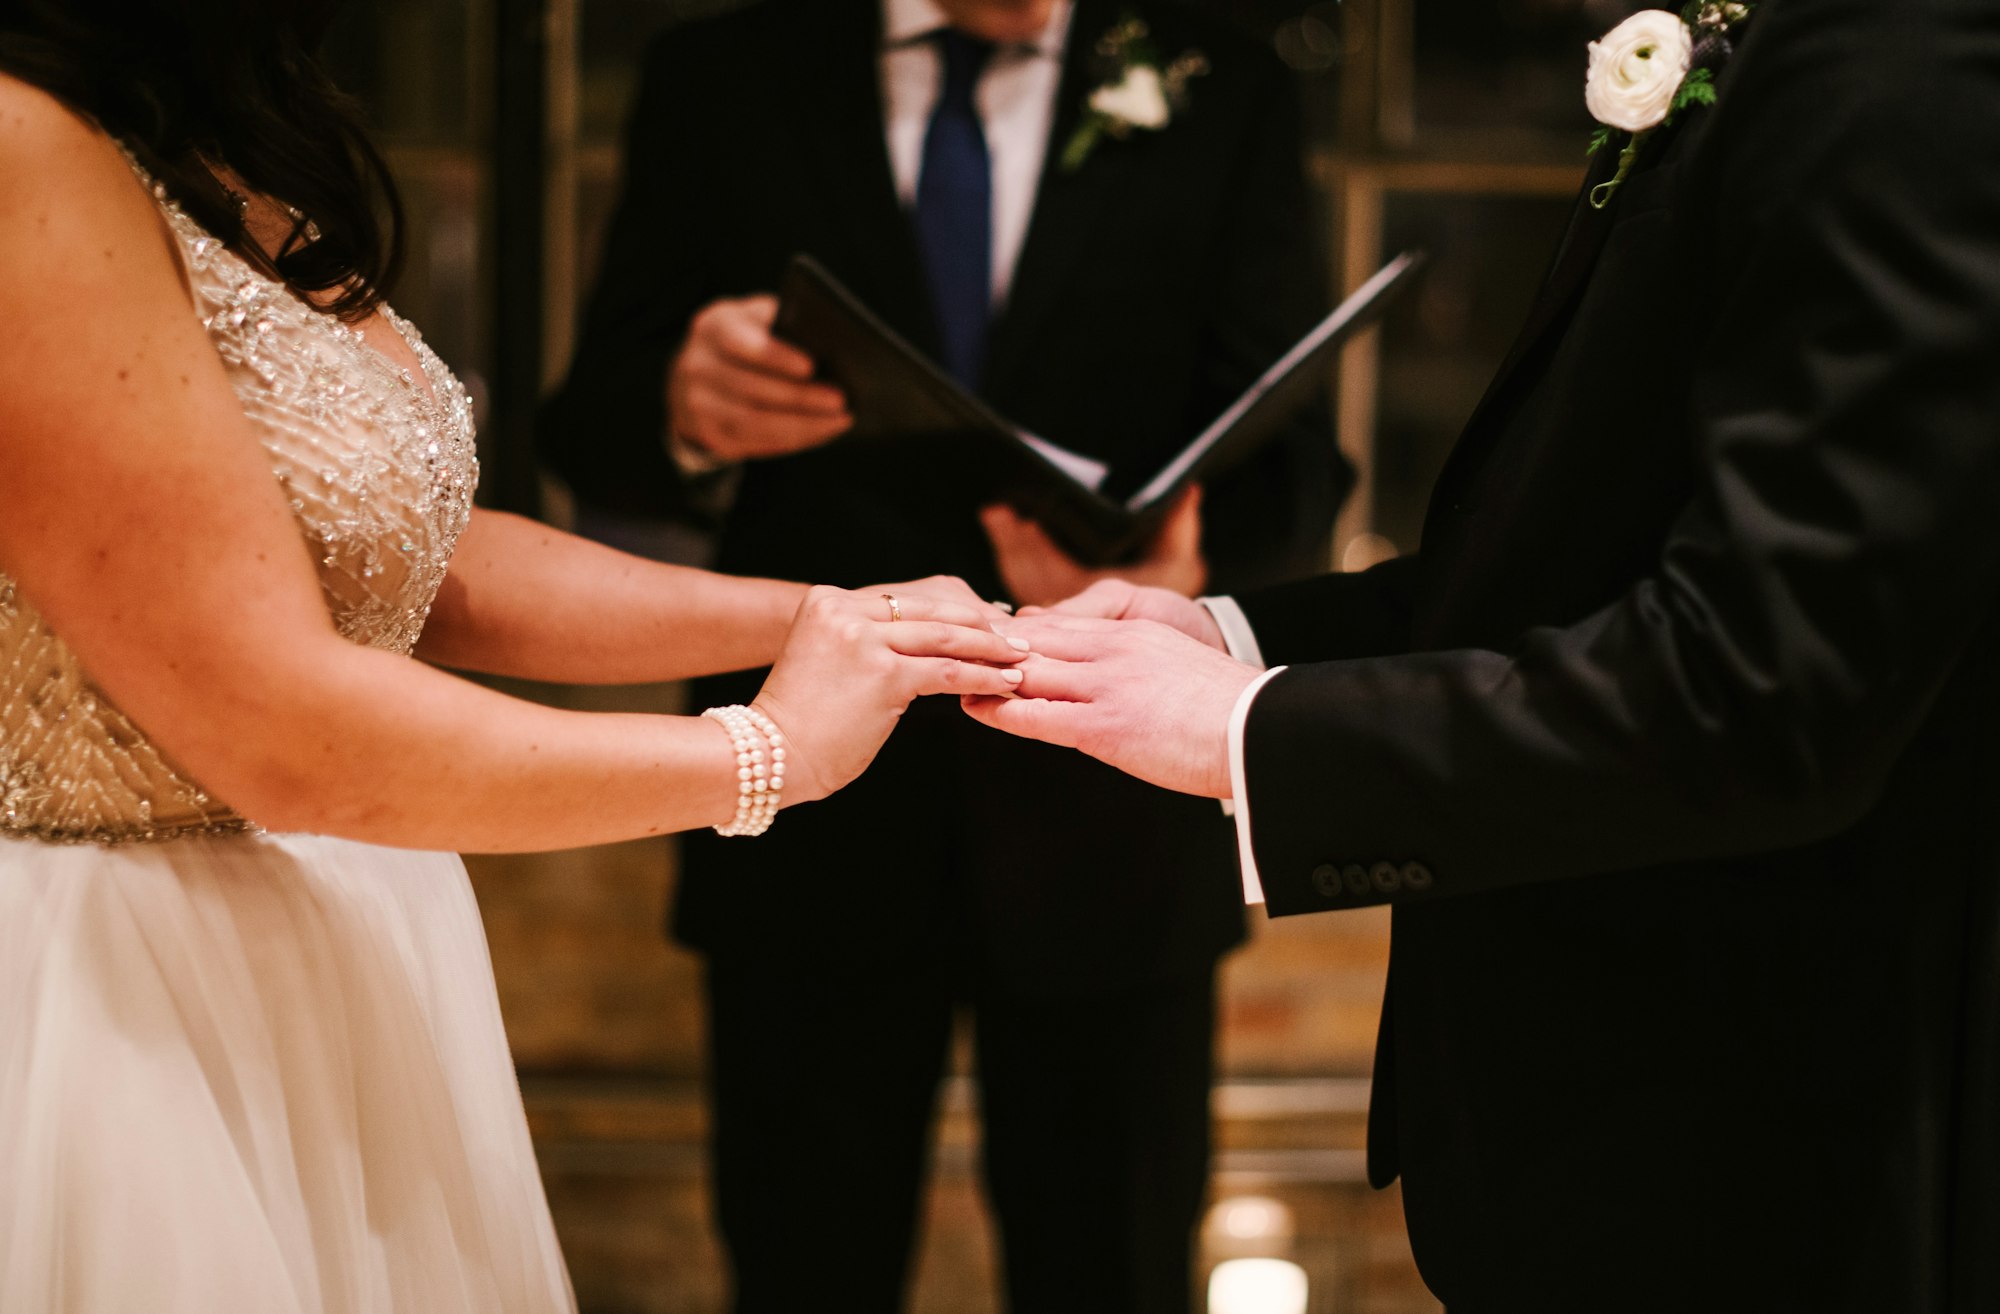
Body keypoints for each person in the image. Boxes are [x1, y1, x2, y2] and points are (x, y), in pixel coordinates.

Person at [966, 0, 2000, 1309]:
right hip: (1621, 1132)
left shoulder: (1905, 54)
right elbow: (1578, 558)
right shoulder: (1796, 41)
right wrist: (1234, 635)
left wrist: (1252, 730)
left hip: (1754, 1146)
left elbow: (1765, 683)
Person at [0, 6, 1027, 1311]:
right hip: (124, 980)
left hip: (343, 935)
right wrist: (761, 753)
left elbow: (409, 551)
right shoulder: (20, 144)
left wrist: (827, 615)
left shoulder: (219, 132)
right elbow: (271, 722)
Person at [538, 0, 1345, 1308]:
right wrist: (683, 406)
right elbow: (588, 430)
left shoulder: (1223, 84)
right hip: (814, 821)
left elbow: (1302, 464)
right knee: (803, 1266)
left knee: (1116, 1271)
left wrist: (1176, 578)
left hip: (1116, 810)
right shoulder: (726, 74)